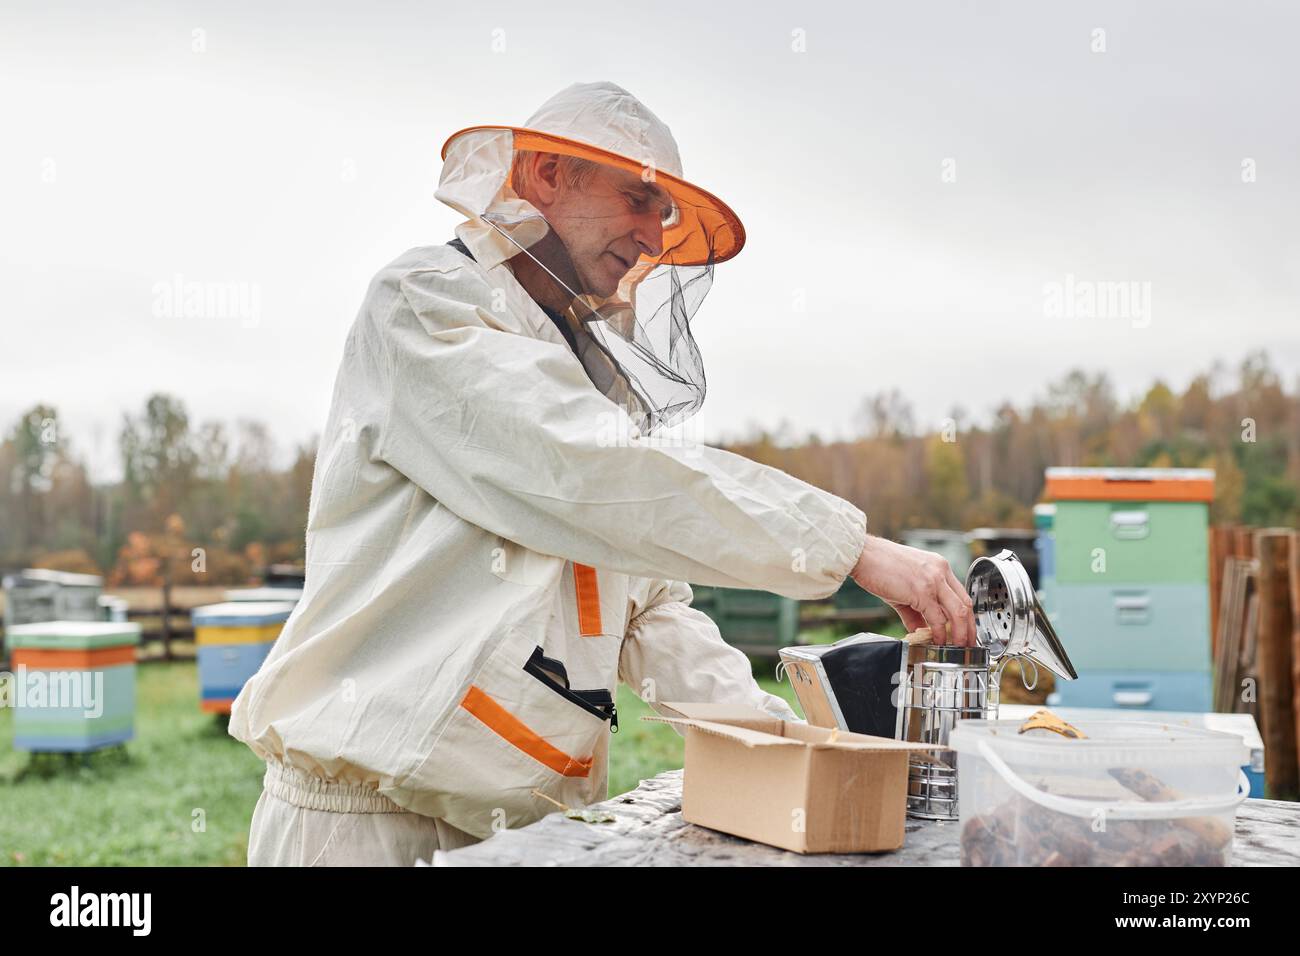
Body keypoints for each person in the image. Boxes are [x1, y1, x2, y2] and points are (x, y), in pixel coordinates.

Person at [229, 80, 975, 866]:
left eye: (665, 216)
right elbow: (584, 468)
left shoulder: (575, 373)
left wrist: (796, 748)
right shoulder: (426, 303)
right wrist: (849, 548)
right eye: (639, 199)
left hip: (520, 832)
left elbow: (650, 613)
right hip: (365, 827)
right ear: (546, 175)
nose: (654, 237)